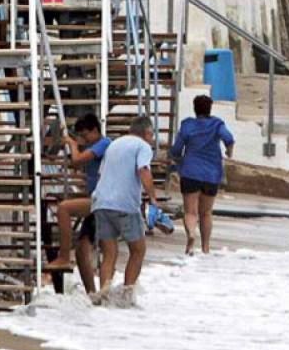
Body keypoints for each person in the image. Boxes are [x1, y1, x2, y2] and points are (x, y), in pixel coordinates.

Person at [90, 116, 159, 295]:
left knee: (109, 252)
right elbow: (143, 170)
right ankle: (127, 293)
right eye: (152, 135)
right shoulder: (142, 146)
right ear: (147, 133)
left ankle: (104, 292)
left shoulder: (114, 145)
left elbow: (101, 174)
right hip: (124, 205)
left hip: (101, 203)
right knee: (138, 250)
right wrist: (153, 198)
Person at [44, 114, 111, 291]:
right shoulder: (94, 147)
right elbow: (78, 167)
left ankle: (64, 256)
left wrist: (73, 144)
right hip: (96, 199)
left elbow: (77, 160)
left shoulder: (103, 144)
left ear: (95, 131)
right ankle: (92, 293)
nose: (83, 140)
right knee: (82, 251)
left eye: (84, 135)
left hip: (103, 201)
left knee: (64, 209)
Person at [170, 95, 234, 256]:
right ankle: (205, 247)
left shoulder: (187, 125)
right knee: (206, 213)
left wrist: (177, 160)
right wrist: (229, 151)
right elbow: (229, 139)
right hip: (211, 174)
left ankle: (191, 236)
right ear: (210, 108)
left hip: (190, 172)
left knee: (190, 212)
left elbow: (177, 149)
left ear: (194, 108)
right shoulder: (217, 124)